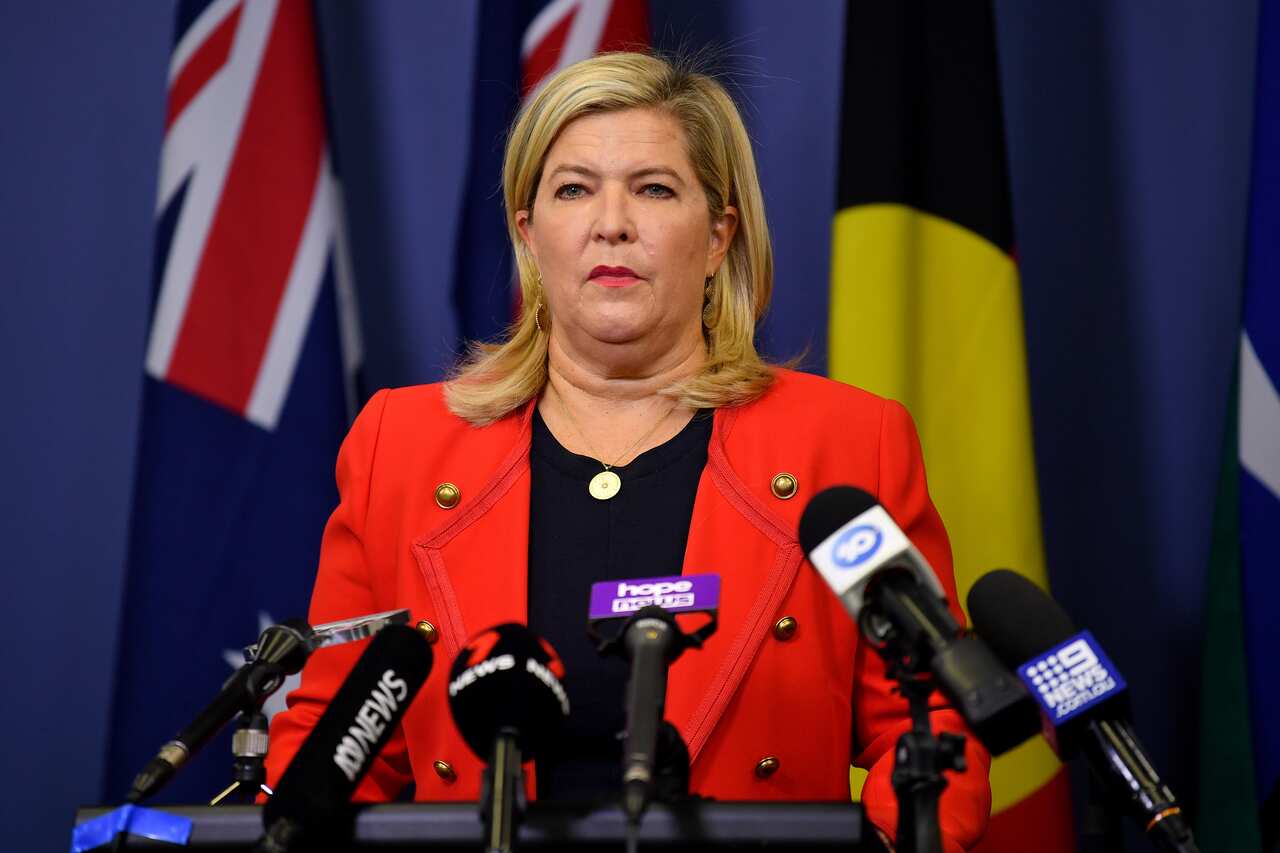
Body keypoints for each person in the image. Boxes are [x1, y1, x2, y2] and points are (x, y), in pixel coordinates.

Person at [265, 51, 991, 850]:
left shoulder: (846, 443)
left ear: (718, 235)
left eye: (653, 188)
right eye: (574, 189)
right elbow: (335, 743)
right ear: (529, 233)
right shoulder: (402, 446)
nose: (611, 222)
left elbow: (930, 725)